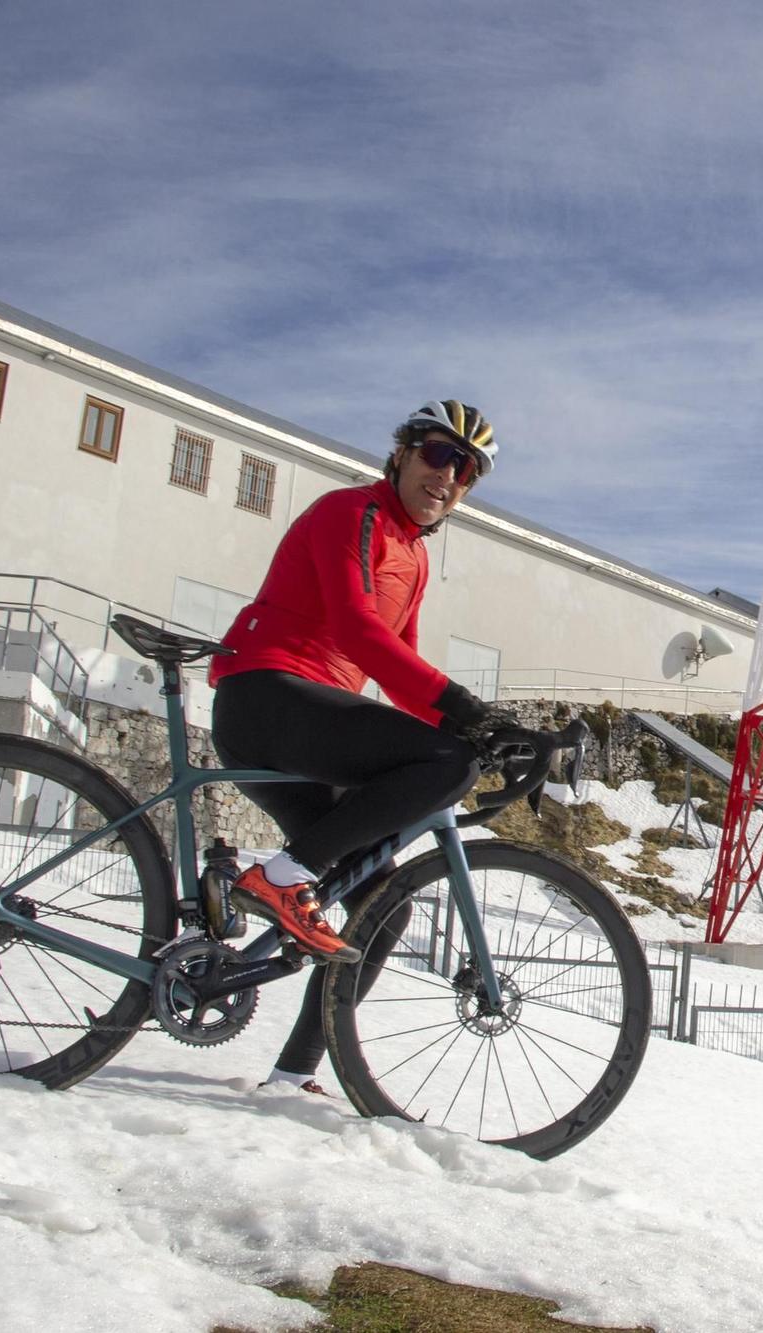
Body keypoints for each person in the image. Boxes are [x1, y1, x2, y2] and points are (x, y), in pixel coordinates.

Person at [208, 399, 500, 1091]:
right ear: (401, 452)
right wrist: (459, 712)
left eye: (468, 470)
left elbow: (402, 667)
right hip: (267, 696)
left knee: (384, 904)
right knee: (444, 761)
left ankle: (290, 1075)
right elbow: (354, 628)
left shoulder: (416, 557)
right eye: (438, 454)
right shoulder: (352, 512)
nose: (449, 476)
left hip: (306, 727)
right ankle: (280, 876)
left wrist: (479, 732)